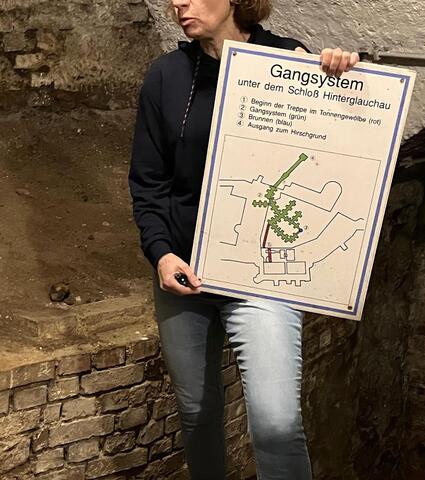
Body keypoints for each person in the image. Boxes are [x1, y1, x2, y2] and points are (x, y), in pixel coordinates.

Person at [128, 0, 359, 478]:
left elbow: (338, 150)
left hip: (262, 275)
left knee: (277, 423)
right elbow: (148, 182)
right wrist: (161, 253)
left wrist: (343, 79)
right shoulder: (166, 76)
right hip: (184, 271)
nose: (178, 3)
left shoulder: (292, 63)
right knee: (197, 413)